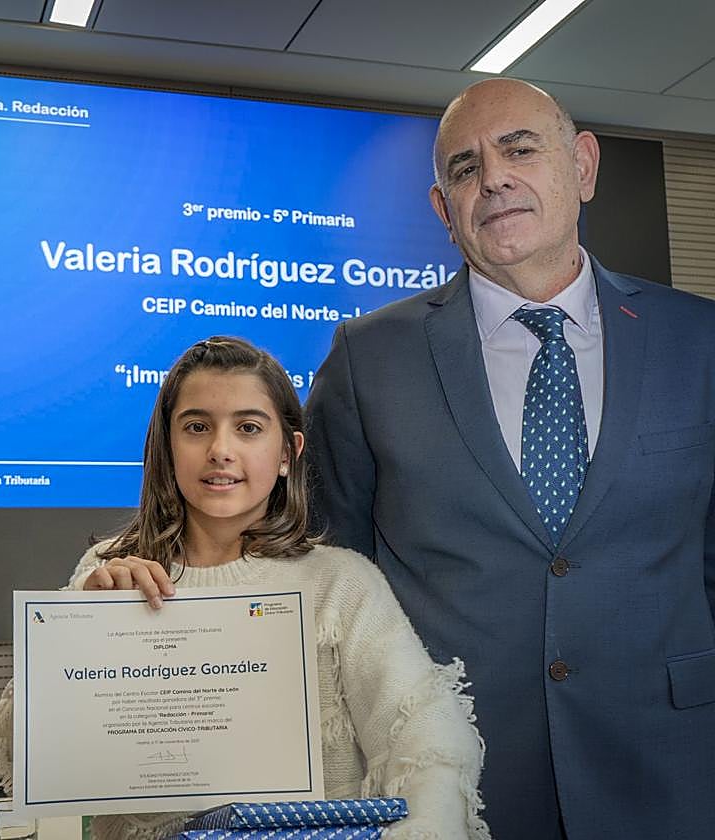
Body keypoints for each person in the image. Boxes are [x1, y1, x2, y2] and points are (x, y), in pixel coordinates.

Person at [305, 77, 715, 839]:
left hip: (673, 772)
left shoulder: (700, 342)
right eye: (464, 168)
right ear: (444, 212)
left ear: (583, 168)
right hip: (460, 785)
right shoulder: (368, 360)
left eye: (520, 149)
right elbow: (337, 580)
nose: (493, 177)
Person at [0, 336, 489, 840]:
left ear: (289, 452)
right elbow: (21, 754)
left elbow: (428, 736)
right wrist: (78, 629)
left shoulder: (341, 583)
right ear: (167, 445)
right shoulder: (110, 572)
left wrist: (427, 824)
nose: (220, 451)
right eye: (197, 427)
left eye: (248, 428)